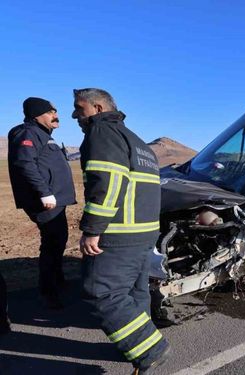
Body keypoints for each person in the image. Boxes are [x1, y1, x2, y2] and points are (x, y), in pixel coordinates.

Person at [72, 88, 170, 374]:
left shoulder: (102, 133)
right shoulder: (137, 140)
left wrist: (92, 229)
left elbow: (109, 182)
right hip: (144, 233)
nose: (74, 115)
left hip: (119, 234)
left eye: (79, 108)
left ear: (98, 108)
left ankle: (150, 349)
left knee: (101, 291)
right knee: (134, 293)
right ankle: (136, 347)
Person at [7, 97, 77, 309]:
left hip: (56, 201)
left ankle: (58, 282)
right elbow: (25, 163)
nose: (56, 116)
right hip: (45, 202)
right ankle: (48, 292)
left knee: (58, 241)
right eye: (51, 112)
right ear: (36, 115)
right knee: (52, 244)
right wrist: (44, 193)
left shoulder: (44, 135)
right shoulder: (28, 133)